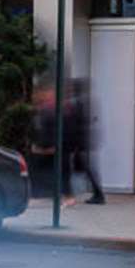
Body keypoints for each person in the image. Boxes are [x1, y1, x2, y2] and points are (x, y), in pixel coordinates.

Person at [58, 69, 108, 204]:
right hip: (83, 141)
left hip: (80, 141)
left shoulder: (79, 102)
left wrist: (75, 144)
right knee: (86, 169)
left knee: (85, 169)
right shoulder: (85, 100)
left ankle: (96, 194)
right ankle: (96, 194)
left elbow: (77, 123)